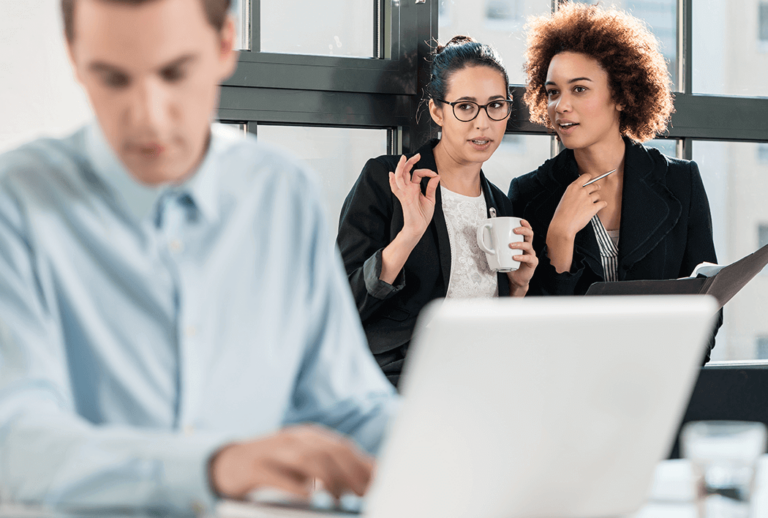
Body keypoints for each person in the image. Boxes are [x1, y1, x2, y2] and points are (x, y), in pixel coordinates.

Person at [0, 0, 397, 512]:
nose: (147, 114)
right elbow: (17, 437)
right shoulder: (19, 200)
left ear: (224, 46)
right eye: (113, 79)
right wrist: (213, 466)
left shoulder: (280, 192)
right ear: (75, 59)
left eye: (174, 72)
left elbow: (343, 403)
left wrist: (446, 450)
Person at [507, 3, 720, 361]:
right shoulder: (529, 192)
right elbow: (531, 329)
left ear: (620, 94)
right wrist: (559, 239)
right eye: (553, 91)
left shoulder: (681, 182)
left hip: (660, 384)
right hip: (569, 391)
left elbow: (708, 305)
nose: (560, 106)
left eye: (579, 90)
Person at [337, 36, 539, 387]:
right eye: (465, 106)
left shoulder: (500, 206)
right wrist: (409, 234)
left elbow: (492, 327)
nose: (483, 123)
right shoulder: (389, 181)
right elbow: (341, 306)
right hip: (400, 384)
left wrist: (518, 289)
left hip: (479, 381)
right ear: (437, 111)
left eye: (496, 105)